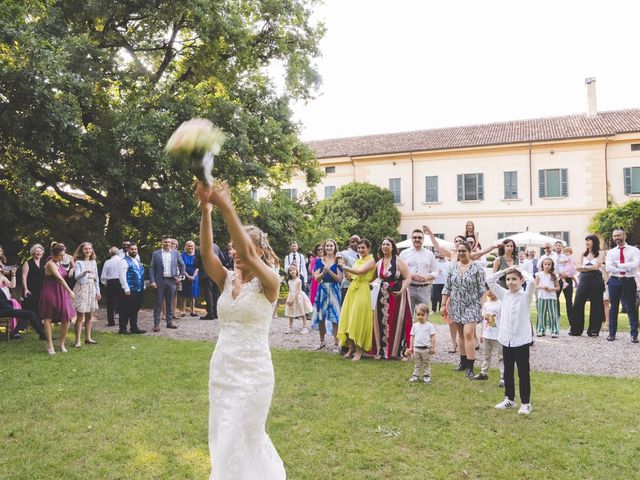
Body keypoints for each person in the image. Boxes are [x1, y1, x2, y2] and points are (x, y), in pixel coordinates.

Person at [197, 180, 286, 479]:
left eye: (243, 247)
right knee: (225, 432)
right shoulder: (225, 278)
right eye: (234, 246)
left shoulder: (270, 282)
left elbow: (248, 258)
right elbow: (206, 252)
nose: (235, 252)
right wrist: (207, 210)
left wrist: (227, 207)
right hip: (223, 367)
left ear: (261, 250)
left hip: (254, 372)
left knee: (243, 431)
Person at [487, 267, 535, 415]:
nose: (510, 282)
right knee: (507, 371)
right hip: (506, 339)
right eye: (508, 279)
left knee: (523, 372)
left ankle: (526, 403)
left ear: (521, 280)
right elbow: (490, 280)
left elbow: (532, 281)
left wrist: (521, 270)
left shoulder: (526, 295)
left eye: (514, 279)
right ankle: (509, 399)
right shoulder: (504, 295)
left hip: (521, 340)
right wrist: (505, 271)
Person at [441, 240, 486, 378]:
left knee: (468, 334)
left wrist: (483, 307)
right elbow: (447, 287)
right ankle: (463, 362)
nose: (461, 253)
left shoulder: (477, 268)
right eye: (459, 251)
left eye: (463, 251)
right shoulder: (452, 268)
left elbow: (482, 290)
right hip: (455, 305)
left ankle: (470, 367)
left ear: (469, 252)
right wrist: (443, 304)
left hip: (471, 305)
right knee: (460, 334)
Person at [337, 238, 376, 361]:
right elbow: (349, 277)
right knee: (348, 318)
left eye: (363, 247)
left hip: (363, 289)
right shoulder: (358, 260)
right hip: (352, 289)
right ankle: (351, 348)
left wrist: (345, 266)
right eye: (359, 248)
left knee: (358, 319)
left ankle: (360, 350)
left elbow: (359, 272)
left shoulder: (371, 261)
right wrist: (343, 266)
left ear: (368, 248)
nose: (360, 250)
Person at [375, 237, 412, 359]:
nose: (385, 246)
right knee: (382, 320)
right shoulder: (379, 262)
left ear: (392, 247)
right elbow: (371, 277)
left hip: (397, 294)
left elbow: (407, 277)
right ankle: (383, 350)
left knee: (399, 320)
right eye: (383, 244)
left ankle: (401, 351)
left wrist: (401, 290)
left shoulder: (398, 260)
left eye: (388, 244)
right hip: (382, 294)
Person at [39, 243, 76, 355]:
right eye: (61, 255)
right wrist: (70, 291)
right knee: (48, 318)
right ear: (54, 255)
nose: (63, 257)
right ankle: (50, 345)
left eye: (63, 255)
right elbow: (60, 279)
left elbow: (69, 260)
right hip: (50, 291)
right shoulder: (50, 264)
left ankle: (61, 344)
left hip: (60, 292)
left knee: (66, 318)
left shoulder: (58, 262)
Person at [605, 228, 640, 342]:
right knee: (613, 308)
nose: (616, 238)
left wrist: (619, 265)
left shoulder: (634, 250)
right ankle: (612, 334)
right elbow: (608, 268)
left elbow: (635, 264)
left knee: (631, 308)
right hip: (614, 281)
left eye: (618, 235)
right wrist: (626, 266)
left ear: (624, 236)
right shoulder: (611, 252)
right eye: (614, 236)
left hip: (629, 281)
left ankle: (634, 335)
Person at [310, 239, 343, 351]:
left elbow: (339, 279)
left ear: (335, 247)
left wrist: (329, 272)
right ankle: (322, 341)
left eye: (331, 246)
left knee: (335, 317)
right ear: (324, 248)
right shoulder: (319, 261)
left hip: (334, 289)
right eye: (327, 246)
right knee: (321, 317)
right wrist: (324, 272)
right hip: (323, 289)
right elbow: (316, 278)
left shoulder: (338, 261)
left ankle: (336, 343)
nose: (329, 248)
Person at [149, 235, 185, 332]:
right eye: (165, 242)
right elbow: (152, 268)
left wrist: (180, 277)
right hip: (159, 281)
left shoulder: (176, 253)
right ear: (162, 242)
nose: (167, 244)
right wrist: (152, 281)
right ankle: (156, 324)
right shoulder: (156, 254)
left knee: (169, 303)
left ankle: (169, 322)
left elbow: (182, 265)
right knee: (158, 303)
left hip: (172, 281)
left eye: (169, 242)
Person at [571, 235, 605, 337]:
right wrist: (586, 268)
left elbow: (596, 267)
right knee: (578, 303)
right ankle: (576, 329)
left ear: (594, 242)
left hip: (596, 279)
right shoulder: (583, 253)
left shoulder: (601, 253)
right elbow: (578, 268)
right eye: (586, 241)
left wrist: (584, 267)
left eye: (589, 241)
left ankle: (593, 330)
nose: (587, 243)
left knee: (596, 304)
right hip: (584, 279)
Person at [399, 228, 438, 314]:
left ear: (423, 239)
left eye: (419, 237)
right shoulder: (404, 254)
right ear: (411, 239)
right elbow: (399, 271)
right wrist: (409, 276)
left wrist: (426, 277)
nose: (417, 239)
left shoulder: (430, 254)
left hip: (424, 288)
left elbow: (436, 272)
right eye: (415, 237)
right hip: (409, 288)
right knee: (407, 316)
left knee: (424, 316)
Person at [472, 289, 504, 386]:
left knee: (501, 357)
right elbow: (484, 321)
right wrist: (482, 334)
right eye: (488, 290)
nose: (489, 292)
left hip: (498, 336)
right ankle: (484, 373)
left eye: (492, 289)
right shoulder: (486, 304)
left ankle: (504, 377)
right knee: (486, 356)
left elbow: (504, 321)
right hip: (487, 335)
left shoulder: (501, 304)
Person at [72, 242, 101, 347]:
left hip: (92, 288)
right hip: (82, 288)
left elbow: (96, 278)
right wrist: (85, 272)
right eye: (85, 249)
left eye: (89, 249)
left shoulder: (94, 262)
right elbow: (77, 277)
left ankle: (88, 338)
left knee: (90, 315)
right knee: (80, 316)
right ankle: (77, 340)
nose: (88, 251)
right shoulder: (79, 262)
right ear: (82, 251)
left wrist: (98, 291)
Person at [118, 242, 146, 334]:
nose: (134, 251)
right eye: (132, 249)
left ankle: (134, 327)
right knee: (126, 309)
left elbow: (140, 274)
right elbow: (122, 276)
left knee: (135, 309)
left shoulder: (138, 261)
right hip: (129, 290)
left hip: (139, 289)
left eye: (135, 249)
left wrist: (144, 285)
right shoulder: (124, 261)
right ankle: (123, 329)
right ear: (128, 250)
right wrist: (126, 289)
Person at [406, 303, 436, 384]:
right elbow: (412, 337)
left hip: (426, 349)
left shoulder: (429, 326)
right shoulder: (415, 326)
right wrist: (411, 347)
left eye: (422, 315)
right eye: (418, 314)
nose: (420, 316)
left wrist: (433, 347)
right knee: (417, 363)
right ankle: (416, 375)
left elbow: (433, 337)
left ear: (427, 315)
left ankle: (427, 376)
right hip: (416, 349)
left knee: (426, 363)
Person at [198, 241, 225, 320]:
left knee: (208, 294)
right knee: (216, 294)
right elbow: (222, 259)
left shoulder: (201, 247)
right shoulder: (216, 246)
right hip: (216, 273)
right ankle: (216, 313)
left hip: (206, 274)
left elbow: (196, 262)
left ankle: (210, 314)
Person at [535, 258, 560, 337]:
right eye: (545, 264)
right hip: (541, 297)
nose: (547, 266)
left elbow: (558, 287)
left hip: (551, 297)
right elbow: (535, 286)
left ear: (552, 265)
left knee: (552, 315)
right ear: (542, 265)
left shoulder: (553, 275)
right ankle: (540, 330)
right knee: (541, 314)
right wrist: (542, 286)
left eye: (549, 264)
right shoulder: (539, 275)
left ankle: (554, 331)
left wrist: (551, 289)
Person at [284, 264, 312, 334]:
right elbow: (290, 291)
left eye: (293, 270)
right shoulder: (289, 281)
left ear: (296, 271)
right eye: (290, 270)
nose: (292, 271)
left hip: (298, 297)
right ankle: (290, 327)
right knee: (290, 312)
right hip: (292, 296)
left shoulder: (298, 280)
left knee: (302, 312)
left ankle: (305, 327)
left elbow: (297, 291)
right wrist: (289, 299)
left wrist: (293, 300)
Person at [21, 243, 46, 318]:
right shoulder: (27, 262)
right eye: (37, 251)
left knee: (40, 304)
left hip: (42, 287)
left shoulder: (44, 262)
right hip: (30, 287)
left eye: (40, 251)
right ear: (33, 252)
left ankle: (38, 320)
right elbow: (23, 277)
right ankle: (27, 322)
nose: (39, 253)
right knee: (30, 305)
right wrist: (25, 289)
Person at [101, 247, 122, 326]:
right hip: (121, 281)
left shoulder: (108, 262)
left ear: (110, 254)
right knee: (122, 302)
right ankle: (122, 320)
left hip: (111, 282)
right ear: (118, 253)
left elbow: (103, 276)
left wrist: (106, 283)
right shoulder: (122, 261)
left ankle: (111, 322)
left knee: (110, 304)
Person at [179, 240, 200, 317]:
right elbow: (181, 267)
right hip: (185, 275)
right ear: (186, 246)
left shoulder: (196, 255)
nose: (190, 247)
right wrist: (188, 276)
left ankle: (193, 311)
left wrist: (193, 276)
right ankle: (182, 311)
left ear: (194, 247)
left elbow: (198, 267)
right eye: (189, 245)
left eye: (192, 246)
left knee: (193, 294)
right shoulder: (182, 255)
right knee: (183, 294)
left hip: (194, 275)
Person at [339, 235, 360, 303]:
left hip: (360, 287)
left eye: (357, 241)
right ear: (349, 244)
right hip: (348, 286)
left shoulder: (363, 254)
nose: (355, 243)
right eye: (352, 242)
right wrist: (345, 271)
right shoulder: (345, 253)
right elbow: (338, 256)